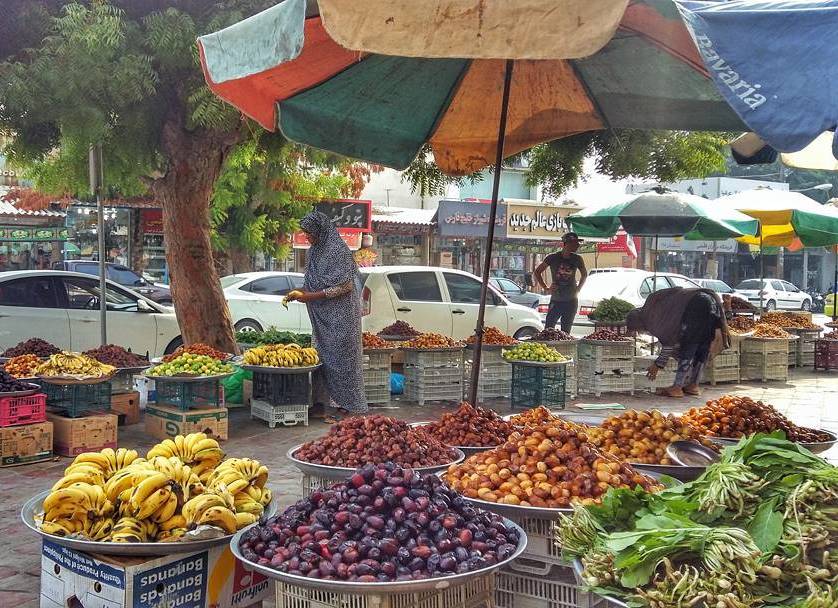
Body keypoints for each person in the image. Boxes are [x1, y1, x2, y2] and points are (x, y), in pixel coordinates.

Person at [285, 212, 367, 420]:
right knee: (320, 359)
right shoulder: (313, 252)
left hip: (342, 316)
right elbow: (311, 281)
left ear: (321, 230)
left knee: (342, 360)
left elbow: (345, 286)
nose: (308, 237)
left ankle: (347, 405)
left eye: (310, 233)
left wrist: (311, 296)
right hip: (321, 316)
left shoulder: (338, 251)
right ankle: (319, 404)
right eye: (305, 234)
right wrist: (299, 292)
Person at [626, 286, 730, 398]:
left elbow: (668, 344)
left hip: (696, 304)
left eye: (636, 329)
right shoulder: (652, 308)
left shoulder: (652, 318)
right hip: (709, 301)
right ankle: (693, 385)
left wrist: (657, 365)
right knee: (703, 344)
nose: (639, 332)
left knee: (690, 345)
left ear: (637, 323)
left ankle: (677, 388)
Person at [534, 232, 588, 333]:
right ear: (566, 244)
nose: (577, 245)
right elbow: (537, 272)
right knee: (549, 330)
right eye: (575, 243)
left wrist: (578, 289)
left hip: (571, 300)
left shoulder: (577, 259)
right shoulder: (552, 257)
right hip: (556, 299)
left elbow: (584, 274)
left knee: (566, 331)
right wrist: (546, 288)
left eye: (578, 243)